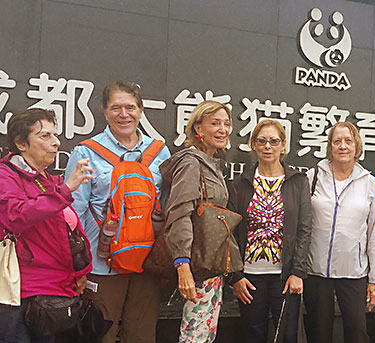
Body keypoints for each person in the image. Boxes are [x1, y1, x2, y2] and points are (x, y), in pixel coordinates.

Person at [65, 81, 171, 343]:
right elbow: (73, 214)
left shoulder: (159, 151)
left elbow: (167, 206)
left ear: (141, 110)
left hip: (147, 261)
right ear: (104, 110)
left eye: (130, 107)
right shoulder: (86, 152)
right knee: (101, 332)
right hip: (102, 263)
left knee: (142, 334)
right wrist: (78, 268)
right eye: (116, 107)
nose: (124, 114)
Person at [0, 108, 94, 343]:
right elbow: (15, 216)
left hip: (54, 289)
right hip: (20, 293)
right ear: (21, 143)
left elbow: (66, 233)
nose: (55, 142)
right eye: (45, 136)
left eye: (55, 135)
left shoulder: (45, 179)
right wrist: (65, 190)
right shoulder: (5, 175)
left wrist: (79, 272)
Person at [159, 101, 238, 342]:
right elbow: (179, 213)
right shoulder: (191, 163)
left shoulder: (211, 163)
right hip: (195, 267)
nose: (223, 129)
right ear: (197, 129)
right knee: (195, 335)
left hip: (211, 266)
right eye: (215, 123)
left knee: (203, 333)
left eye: (226, 123)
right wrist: (183, 265)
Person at [228, 120, 312, 343]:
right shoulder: (241, 183)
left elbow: (304, 229)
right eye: (262, 141)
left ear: (283, 145)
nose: (268, 147)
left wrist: (298, 272)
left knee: (288, 336)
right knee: (252, 334)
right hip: (249, 276)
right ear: (253, 145)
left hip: (285, 276)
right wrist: (236, 275)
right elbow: (230, 233)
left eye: (274, 141)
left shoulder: (298, 181)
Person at [303, 122, 375, 343]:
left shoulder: (369, 183)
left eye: (348, 141)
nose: (342, 146)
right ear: (330, 146)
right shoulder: (313, 177)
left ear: (357, 145)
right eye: (337, 141)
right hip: (316, 271)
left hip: (354, 272)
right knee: (318, 333)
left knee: (357, 332)